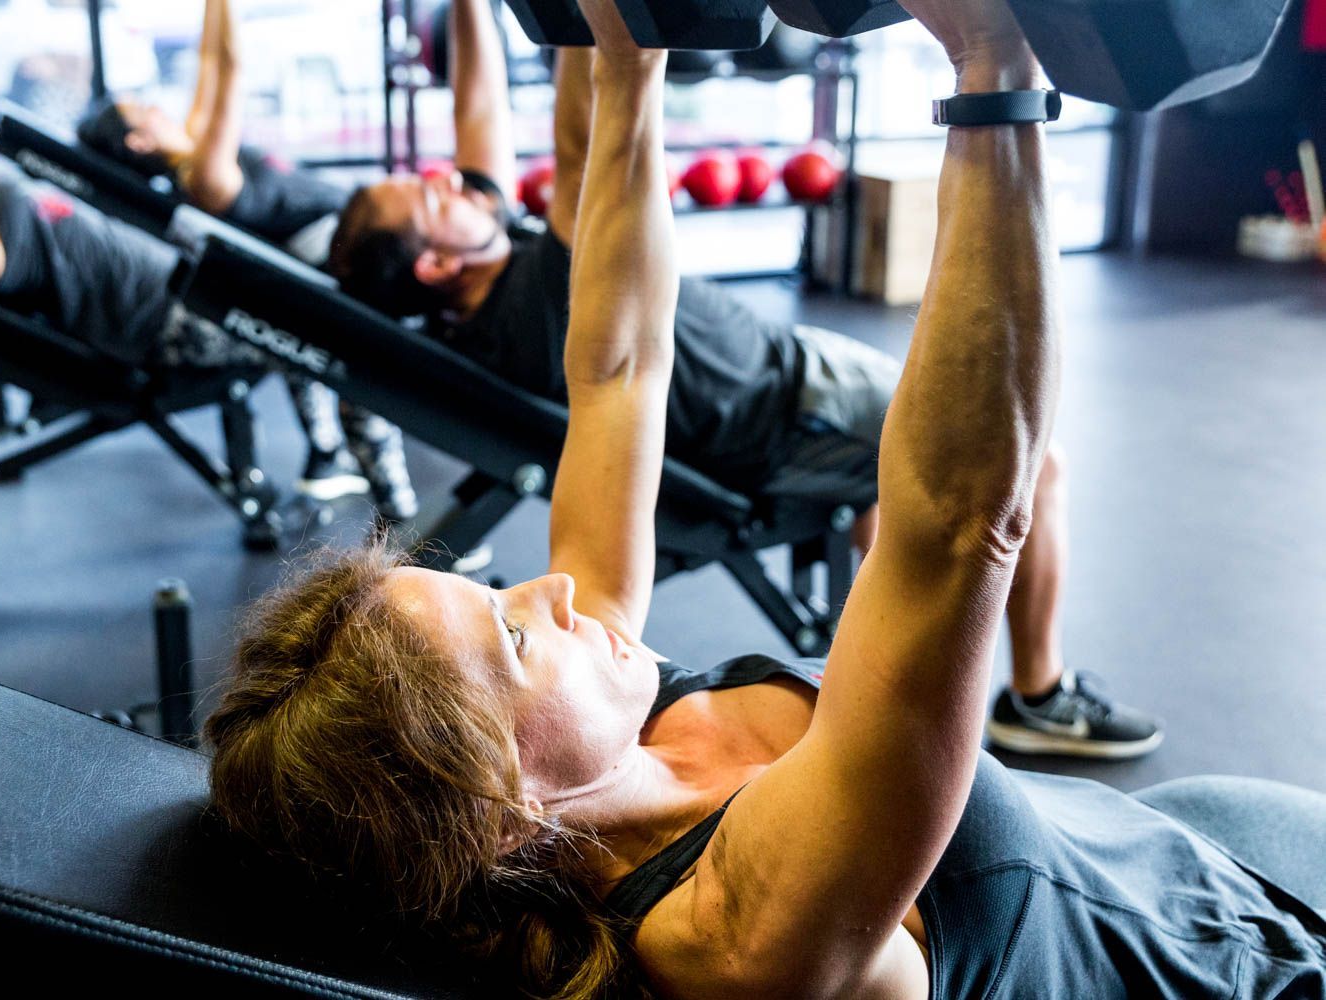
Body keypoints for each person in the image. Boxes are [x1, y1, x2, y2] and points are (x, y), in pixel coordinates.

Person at [207, 0, 1326, 997]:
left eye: (497, 589)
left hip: (1162, 845)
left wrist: (628, 56)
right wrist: (992, 65)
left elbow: (618, 374)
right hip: (1244, 966)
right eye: (509, 634)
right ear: (499, 806)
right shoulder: (740, 935)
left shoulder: (603, 727)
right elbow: (958, 523)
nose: (549, 583)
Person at [324, 0, 1155, 760]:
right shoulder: (536, 303)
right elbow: (586, 148)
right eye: (428, 197)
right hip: (787, 410)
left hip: (787, 375)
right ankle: (1038, 695)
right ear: (437, 264)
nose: (449, 177)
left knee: (892, 509)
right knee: (1034, 469)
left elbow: (481, 113)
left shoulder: (492, 275)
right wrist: (614, 36)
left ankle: (878, 671)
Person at [0, 0, 409, 523]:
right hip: (168, 325)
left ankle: (335, 458)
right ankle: (403, 515)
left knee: (321, 311)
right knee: (340, 334)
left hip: (184, 287)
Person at [74, 0, 415, 518]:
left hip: (325, 259)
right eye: (144, 111)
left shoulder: (195, 157)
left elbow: (211, 61)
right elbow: (230, 66)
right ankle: (401, 509)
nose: (157, 106)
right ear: (140, 141)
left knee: (312, 339)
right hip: (342, 257)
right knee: (356, 358)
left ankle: (327, 455)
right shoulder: (206, 176)